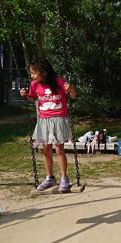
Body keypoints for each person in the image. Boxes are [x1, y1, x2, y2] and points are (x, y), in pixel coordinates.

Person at [20, 58, 76, 192]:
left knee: (59, 149)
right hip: (44, 120)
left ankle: (64, 178)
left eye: (34, 73)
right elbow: (33, 97)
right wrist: (25, 95)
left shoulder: (59, 82)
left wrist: (71, 89)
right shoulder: (35, 84)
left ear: (44, 73)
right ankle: (50, 177)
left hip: (58, 118)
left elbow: (73, 96)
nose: (32, 76)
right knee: (46, 150)